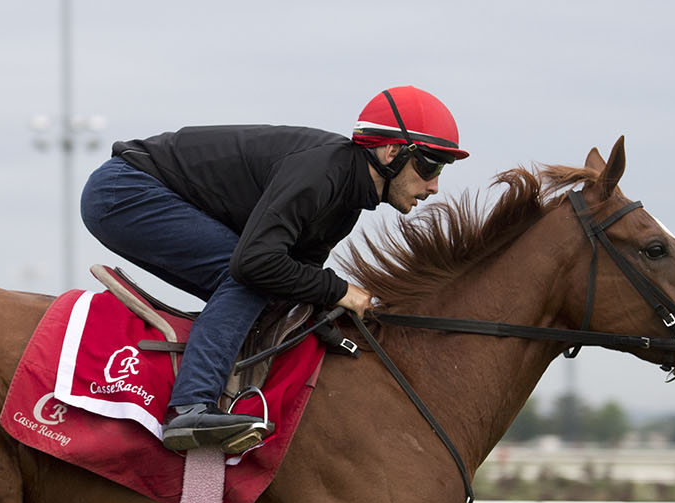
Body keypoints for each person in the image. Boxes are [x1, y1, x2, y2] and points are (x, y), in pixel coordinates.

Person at [80, 86, 468, 451]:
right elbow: (256, 264)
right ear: (391, 152)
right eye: (430, 165)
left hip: (137, 194)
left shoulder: (346, 202)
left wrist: (337, 326)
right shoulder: (322, 173)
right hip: (125, 191)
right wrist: (339, 290)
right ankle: (190, 408)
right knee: (249, 278)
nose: (434, 186)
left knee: (270, 292)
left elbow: (296, 281)